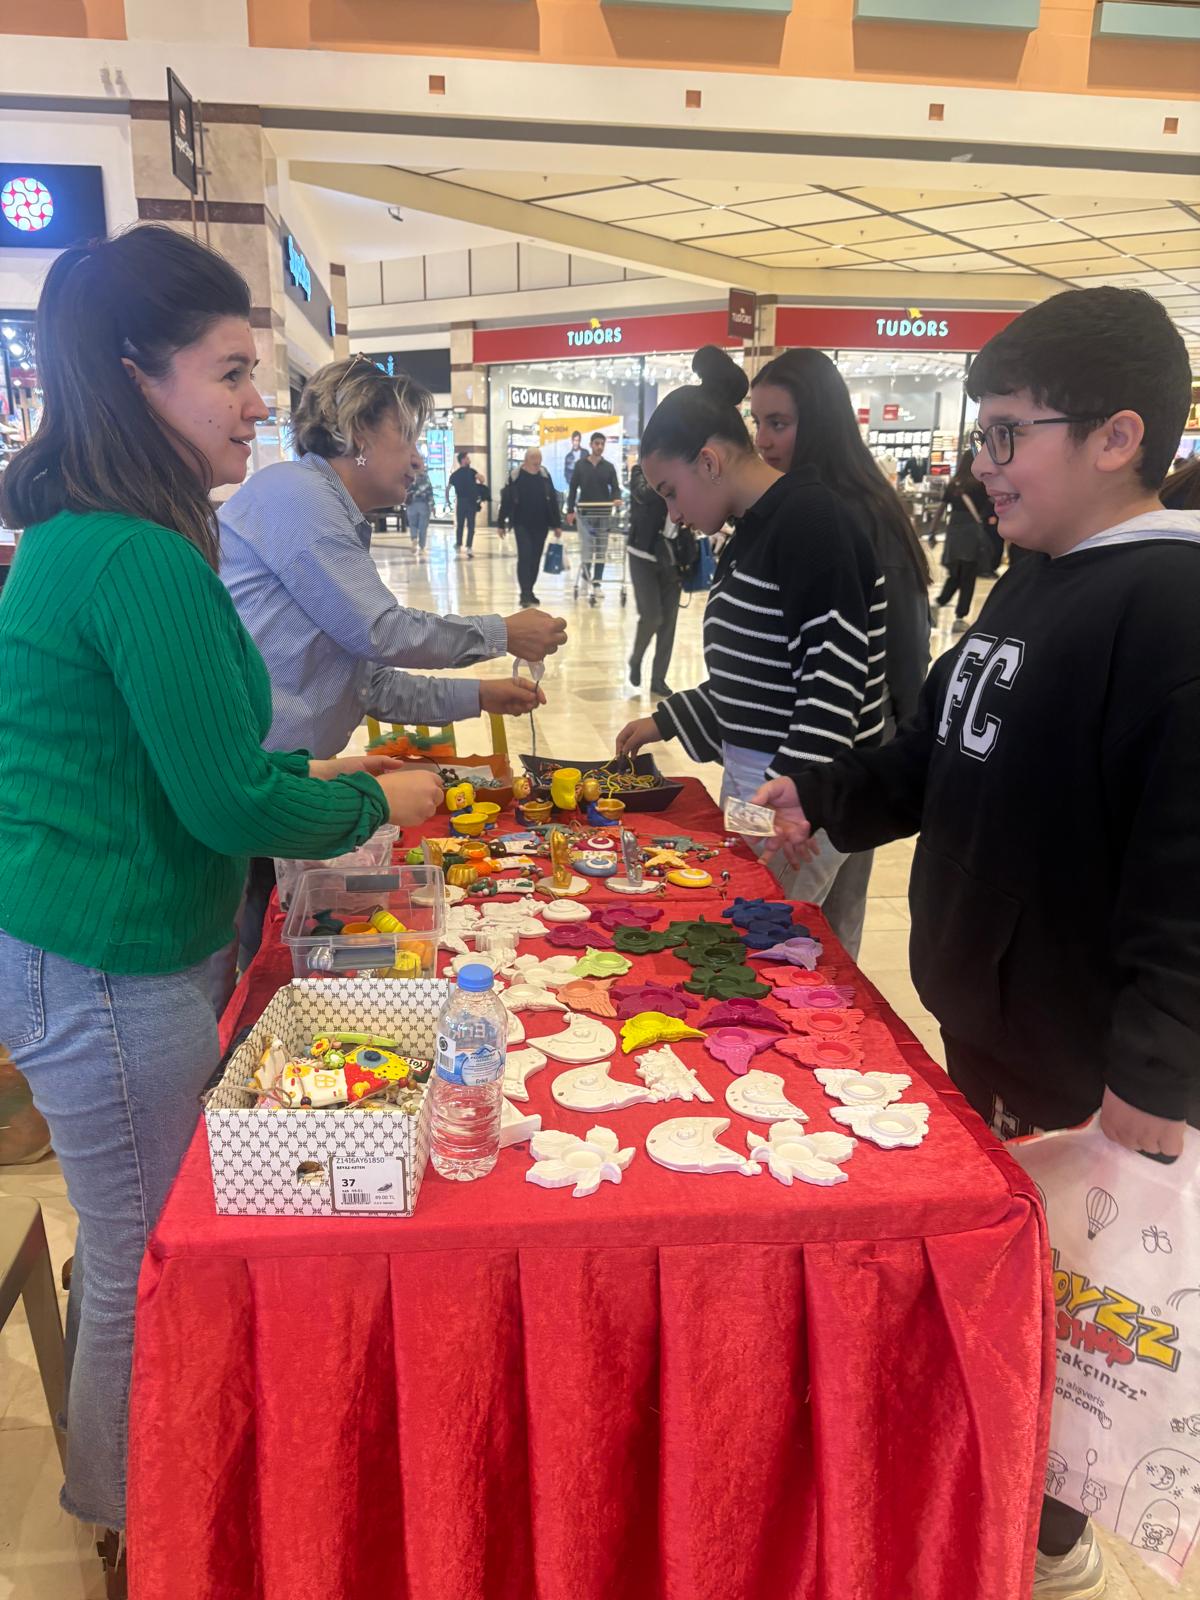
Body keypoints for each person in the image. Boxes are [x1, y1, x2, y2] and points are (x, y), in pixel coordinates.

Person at [0, 226, 444, 1585]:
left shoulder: (101, 535)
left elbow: (184, 756)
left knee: (139, 1230)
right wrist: (374, 802)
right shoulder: (133, 555)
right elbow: (225, 803)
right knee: (147, 1253)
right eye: (232, 371)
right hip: (107, 960)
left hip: (109, 938)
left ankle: (141, 1484)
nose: (260, 402)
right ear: (134, 376)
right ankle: (135, 1520)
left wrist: (308, 777)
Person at [754, 285, 1200, 1599]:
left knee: (1085, 1310)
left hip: (1088, 1060)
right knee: (1018, 1282)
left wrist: (1156, 1076)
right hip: (994, 1017)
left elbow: (1189, 873)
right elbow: (941, 749)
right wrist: (830, 791)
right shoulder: (1039, 579)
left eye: (1009, 434)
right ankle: (994, 1479)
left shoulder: (1172, 613)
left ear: (1117, 436)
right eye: (981, 432)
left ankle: (1047, 1542)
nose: (982, 463)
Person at [614, 346, 884, 923]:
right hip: (765, 783)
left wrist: (794, 795)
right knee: (743, 927)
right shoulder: (757, 529)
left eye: (669, 490)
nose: (673, 514)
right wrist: (667, 719)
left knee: (751, 935)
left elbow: (833, 683)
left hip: (792, 789)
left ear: (709, 462)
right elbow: (759, 675)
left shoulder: (811, 522)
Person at [220, 356, 563, 762]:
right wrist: (502, 633)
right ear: (358, 433)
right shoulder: (299, 494)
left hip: (285, 772)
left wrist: (481, 695)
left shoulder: (326, 506)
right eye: (407, 438)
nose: (418, 460)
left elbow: (369, 686)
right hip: (250, 775)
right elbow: (382, 632)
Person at [750, 347, 931, 956]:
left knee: (777, 927)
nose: (764, 440)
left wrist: (870, 764)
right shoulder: (859, 501)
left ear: (820, 421)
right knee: (834, 929)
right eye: (758, 422)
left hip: (840, 752)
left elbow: (873, 660)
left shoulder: (830, 516)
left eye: (779, 422)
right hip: (862, 755)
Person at [625, 459, 681, 699]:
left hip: (674, 557)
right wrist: (671, 475)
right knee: (652, 616)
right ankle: (636, 659)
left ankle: (658, 678)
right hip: (642, 554)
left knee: (669, 621)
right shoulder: (641, 470)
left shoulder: (687, 470)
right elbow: (643, 494)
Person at [927, 451, 991, 633]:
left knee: (955, 573)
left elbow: (940, 510)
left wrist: (932, 532)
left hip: (954, 532)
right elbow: (990, 506)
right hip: (971, 533)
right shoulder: (980, 485)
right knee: (968, 576)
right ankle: (959, 618)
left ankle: (938, 604)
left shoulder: (954, 484)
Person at [497, 447, 562, 608]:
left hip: (541, 524)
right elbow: (506, 500)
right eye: (534, 458)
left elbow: (552, 500)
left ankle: (530, 590)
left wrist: (557, 524)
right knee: (525, 557)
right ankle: (524, 593)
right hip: (521, 524)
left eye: (539, 459)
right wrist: (500, 523)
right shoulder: (516, 476)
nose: (537, 462)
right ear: (526, 459)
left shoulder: (544, 476)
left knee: (535, 559)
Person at [566, 431, 621, 592]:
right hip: (585, 513)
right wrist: (570, 510)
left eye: (602, 444)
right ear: (591, 445)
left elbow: (615, 488)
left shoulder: (609, 467)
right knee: (587, 548)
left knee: (601, 549)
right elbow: (573, 488)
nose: (600, 447)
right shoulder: (580, 465)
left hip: (603, 513)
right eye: (597, 443)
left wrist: (616, 498)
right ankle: (586, 574)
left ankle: (597, 583)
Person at [449, 448, 486, 556]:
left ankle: (459, 544)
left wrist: (448, 501)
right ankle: (469, 547)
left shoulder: (455, 474)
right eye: (467, 458)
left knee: (460, 524)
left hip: (461, 502)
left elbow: (448, 488)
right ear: (463, 460)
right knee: (471, 525)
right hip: (470, 502)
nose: (469, 460)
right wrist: (479, 478)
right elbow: (482, 480)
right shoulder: (472, 472)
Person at [405, 458, 434, 552]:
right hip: (423, 505)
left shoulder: (409, 477)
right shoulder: (425, 477)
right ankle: (422, 546)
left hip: (411, 505)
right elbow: (429, 492)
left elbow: (405, 490)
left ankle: (414, 538)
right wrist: (432, 505)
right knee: (423, 526)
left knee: (412, 524)